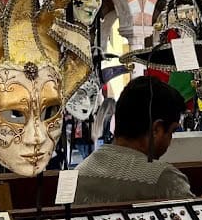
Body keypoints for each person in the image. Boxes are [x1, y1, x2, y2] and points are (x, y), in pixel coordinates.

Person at [74, 76, 194, 205]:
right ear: (157, 130)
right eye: (172, 132)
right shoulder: (163, 178)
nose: (170, 141)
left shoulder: (80, 171)